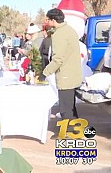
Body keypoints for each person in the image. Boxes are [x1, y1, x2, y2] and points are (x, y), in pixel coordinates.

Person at [42, 8, 82, 139]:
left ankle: (67, 134)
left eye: (48, 19)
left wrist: (46, 72)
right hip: (73, 73)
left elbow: (58, 58)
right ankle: (76, 130)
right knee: (71, 105)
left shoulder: (59, 34)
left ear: (54, 20)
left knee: (65, 107)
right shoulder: (70, 30)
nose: (47, 22)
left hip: (65, 75)